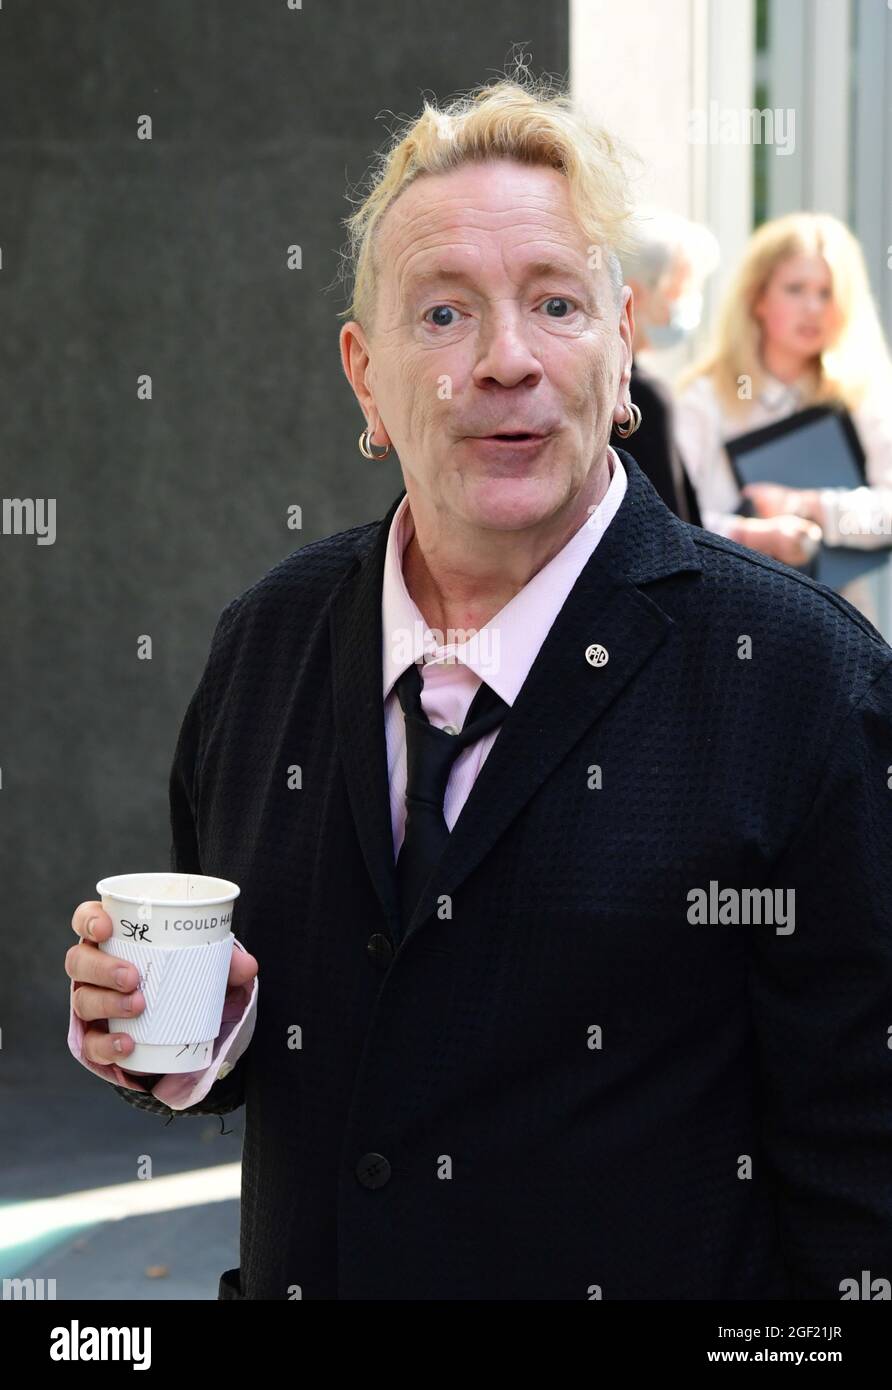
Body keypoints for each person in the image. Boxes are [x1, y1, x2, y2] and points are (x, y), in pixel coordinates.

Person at [64, 73, 892, 1301]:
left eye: (554, 304)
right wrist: (185, 1037)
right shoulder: (267, 642)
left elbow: (861, 1180)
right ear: (364, 376)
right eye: (443, 314)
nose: (506, 360)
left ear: (621, 348)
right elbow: (293, 1029)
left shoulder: (806, 684)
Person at [674, 211, 892, 620]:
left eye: (827, 292)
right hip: (734, 614)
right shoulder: (704, 399)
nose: (813, 308)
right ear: (758, 298)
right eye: (795, 289)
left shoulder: (862, 392)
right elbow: (673, 519)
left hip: (842, 616)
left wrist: (810, 507)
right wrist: (751, 535)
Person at [610, 207, 719, 525]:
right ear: (635, 296)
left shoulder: (607, 384)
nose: (685, 303)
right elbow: (674, 533)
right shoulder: (642, 398)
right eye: (678, 290)